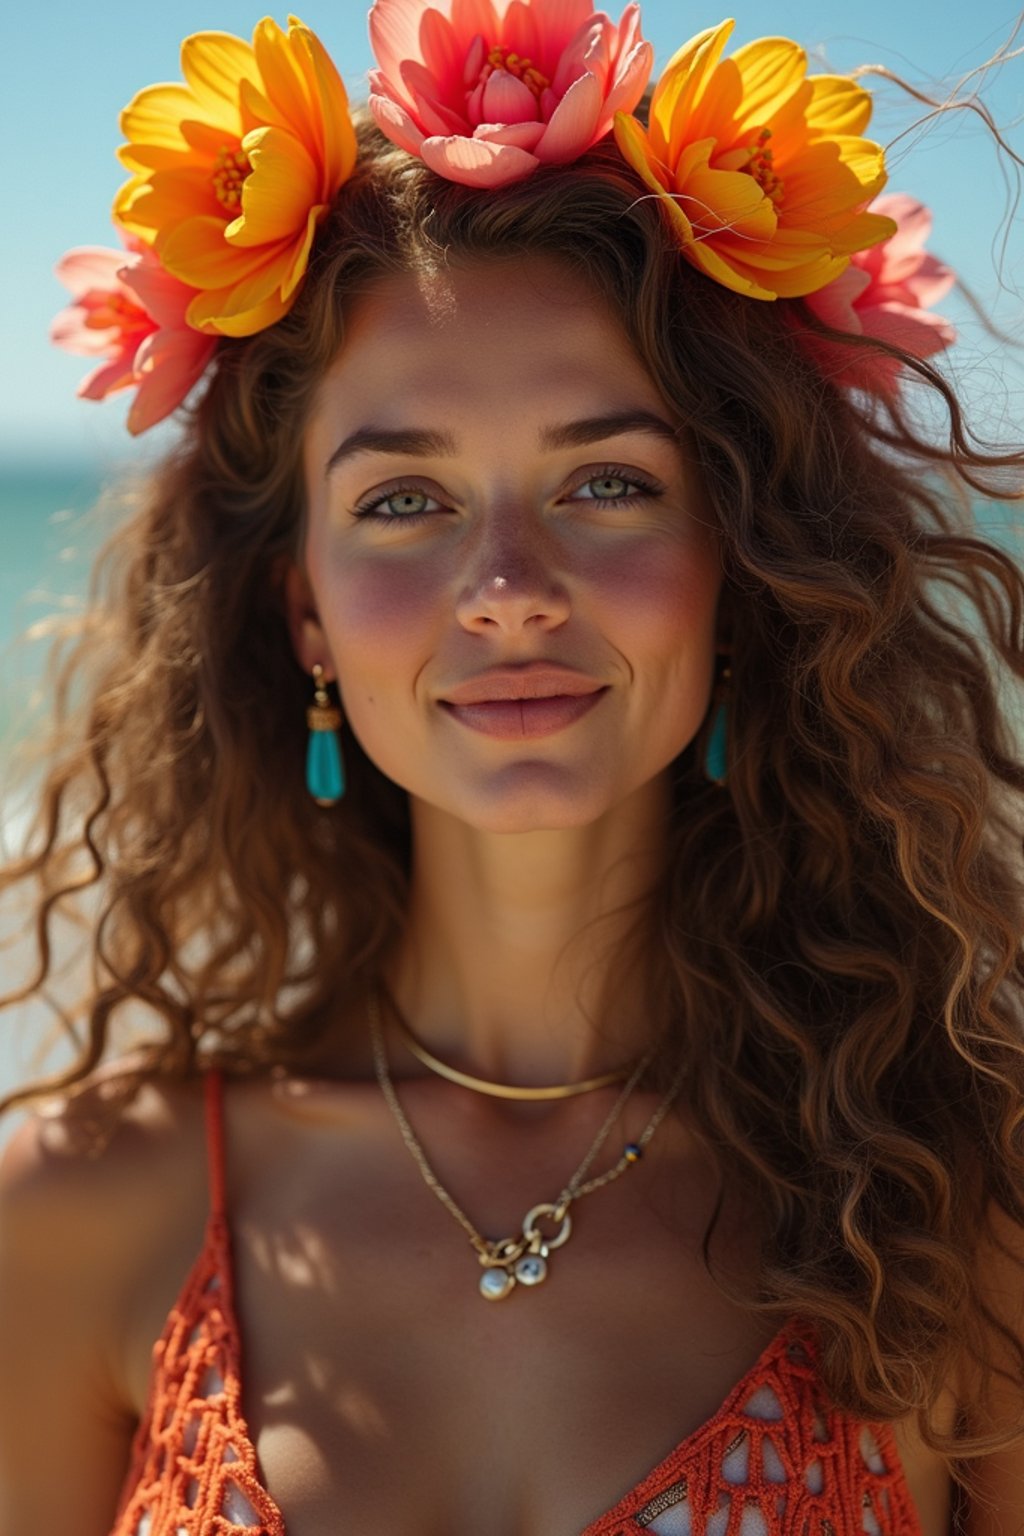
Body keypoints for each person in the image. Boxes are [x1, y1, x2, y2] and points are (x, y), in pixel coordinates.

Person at [0, 4, 1022, 1533]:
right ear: (306, 611)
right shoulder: (74, 1216)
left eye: (608, 480)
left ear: (744, 570)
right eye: (404, 499)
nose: (508, 585)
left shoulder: (957, 1211)